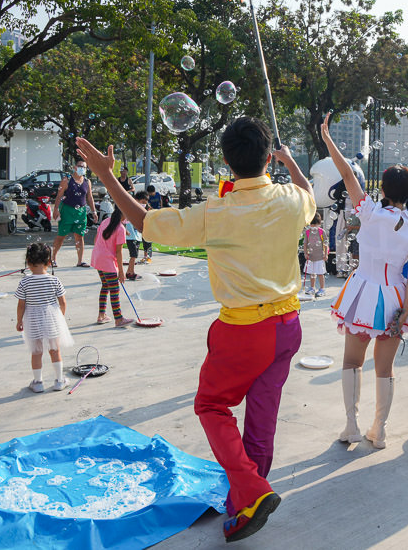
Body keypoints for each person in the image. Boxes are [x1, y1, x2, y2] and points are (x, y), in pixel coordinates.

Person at [75, 117, 315, 543]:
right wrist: (291, 161)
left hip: (245, 330)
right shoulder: (293, 200)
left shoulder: (217, 211)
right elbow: (309, 194)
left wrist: (106, 175)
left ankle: (253, 489)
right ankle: (245, 503)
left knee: (211, 406)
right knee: (262, 416)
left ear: (225, 161)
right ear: (267, 157)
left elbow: (145, 221)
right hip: (288, 325)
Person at [322, 115, 408, 448]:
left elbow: (346, 174)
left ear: (383, 189)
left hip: (364, 293)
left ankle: (351, 427)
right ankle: (379, 431)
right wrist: (405, 311)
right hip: (397, 297)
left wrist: (328, 139)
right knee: (386, 369)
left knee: (352, 362)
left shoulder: (369, 212)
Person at [15, 242, 73, 392]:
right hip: (52, 317)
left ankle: (38, 382)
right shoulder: (54, 280)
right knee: (55, 350)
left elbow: (21, 304)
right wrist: (60, 317)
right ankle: (60, 381)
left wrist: (19, 320)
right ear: (49, 262)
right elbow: (63, 302)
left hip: (32, 319)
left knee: (36, 352)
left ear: (28, 262)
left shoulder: (25, 281)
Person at [91, 208, 135, 327]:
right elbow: (118, 253)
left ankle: (101, 316)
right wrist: (121, 272)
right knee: (114, 290)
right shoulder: (120, 228)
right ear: (123, 214)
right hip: (107, 261)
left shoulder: (107, 221)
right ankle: (118, 319)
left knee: (105, 286)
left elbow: (96, 238)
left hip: (97, 258)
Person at [52, 160, 98, 267]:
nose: (82, 168)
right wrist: (56, 209)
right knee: (61, 236)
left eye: (84, 167)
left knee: (80, 236)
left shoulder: (87, 181)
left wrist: (93, 211)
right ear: (75, 167)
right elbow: (59, 195)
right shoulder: (67, 180)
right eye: (80, 166)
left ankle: (80, 260)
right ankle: (53, 258)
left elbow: (89, 197)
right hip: (67, 211)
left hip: (81, 212)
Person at [302, 213, 328, 296]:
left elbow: (325, 243)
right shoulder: (307, 232)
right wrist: (305, 253)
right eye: (311, 224)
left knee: (320, 273)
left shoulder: (321, 231)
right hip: (311, 256)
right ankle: (312, 288)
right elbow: (305, 244)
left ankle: (322, 289)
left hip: (320, 256)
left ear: (319, 224)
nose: (313, 226)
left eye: (315, 224)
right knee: (312, 273)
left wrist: (326, 254)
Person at [135, 190, 154, 262]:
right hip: (140, 228)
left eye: (145, 203)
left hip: (148, 228)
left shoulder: (148, 207)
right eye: (143, 202)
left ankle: (148, 257)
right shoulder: (134, 207)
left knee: (148, 243)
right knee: (141, 242)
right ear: (137, 200)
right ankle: (144, 256)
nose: (144, 204)